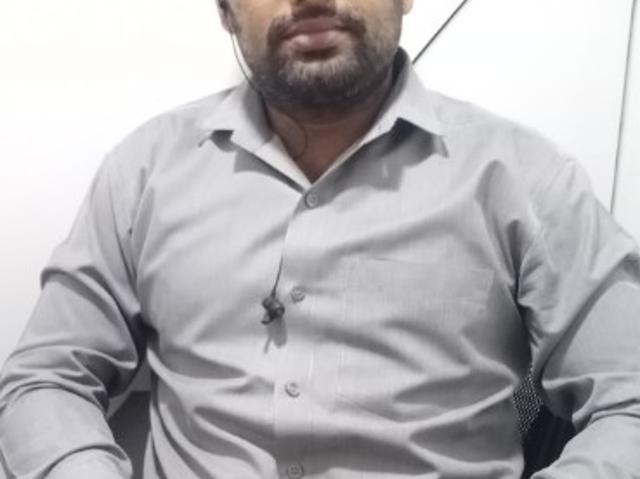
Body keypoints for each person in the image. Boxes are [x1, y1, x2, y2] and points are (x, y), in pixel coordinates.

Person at [1, 0, 639, 477]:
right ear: (225, 10)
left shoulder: (523, 179)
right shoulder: (145, 171)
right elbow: (45, 379)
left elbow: (630, 398)